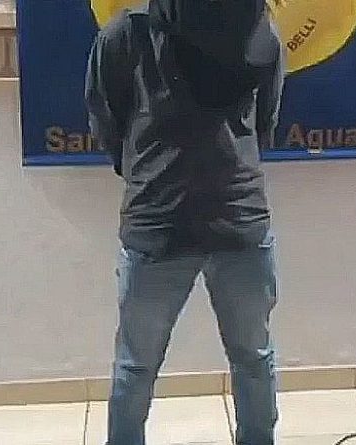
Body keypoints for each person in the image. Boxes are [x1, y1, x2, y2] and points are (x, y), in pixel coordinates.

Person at [85, 1, 285, 444]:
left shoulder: (127, 33)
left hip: (158, 218)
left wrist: (144, 170)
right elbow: (264, 124)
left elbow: (106, 119)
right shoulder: (258, 27)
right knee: (253, 359)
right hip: (238, 215)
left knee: (136, 365)